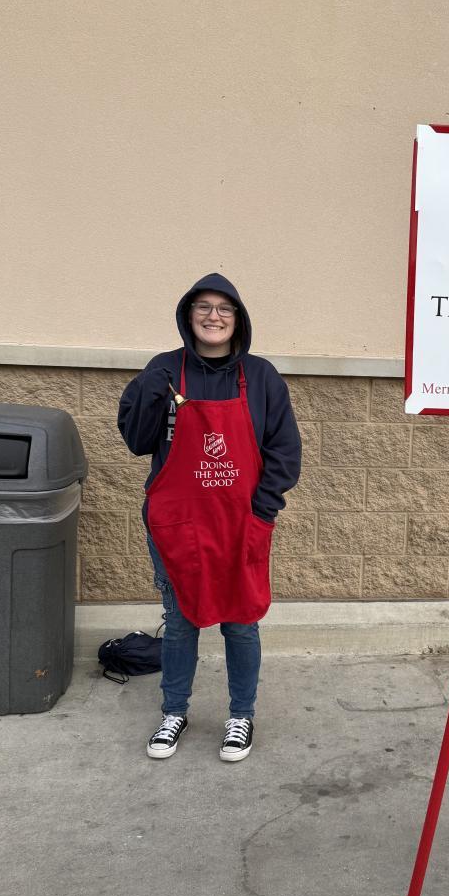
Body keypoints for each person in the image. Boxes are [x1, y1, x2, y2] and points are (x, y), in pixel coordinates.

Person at [118, 274, 301, 762]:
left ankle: (241, 715)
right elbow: (137, 441)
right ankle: (173, 712)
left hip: (241, 522)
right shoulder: (163, 370)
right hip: (177, 525)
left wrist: (262, 509)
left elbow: (285, 451)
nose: (213, 316)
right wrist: (150, 391)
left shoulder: (261, 377)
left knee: (241, 621)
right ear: (188, 314)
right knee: (180, 621)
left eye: (224, 308)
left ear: (238, 318)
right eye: (203, 306)